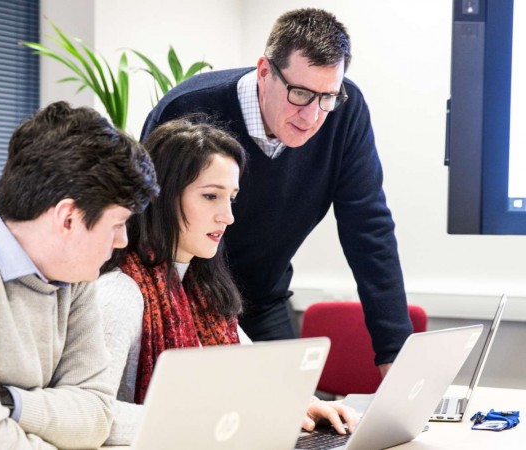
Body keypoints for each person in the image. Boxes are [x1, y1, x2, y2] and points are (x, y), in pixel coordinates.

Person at [140, 8, 413, 375]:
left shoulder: (344, 114)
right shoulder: (189, 110)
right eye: (300, 93)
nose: (312, 116)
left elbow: (370, 230)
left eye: (328, 97)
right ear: (265, 72)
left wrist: (395, 356)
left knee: (297, 416)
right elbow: (148, 225)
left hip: (264, 299)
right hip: (185, 300)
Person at [96, 118, 358, 445]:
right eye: (210, 196)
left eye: (231, 197)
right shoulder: (120, 293)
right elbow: (91, 414)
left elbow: (252, 379)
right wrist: (197, 422)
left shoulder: (202, 288)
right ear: (160, 196)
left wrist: (302, 404)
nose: (228, 216)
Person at [0, 101, 159, 449]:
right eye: (117, 224)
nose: (123, 241)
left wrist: (8, 402)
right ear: (67, 218)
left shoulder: (73, 273)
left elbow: (96, 416)